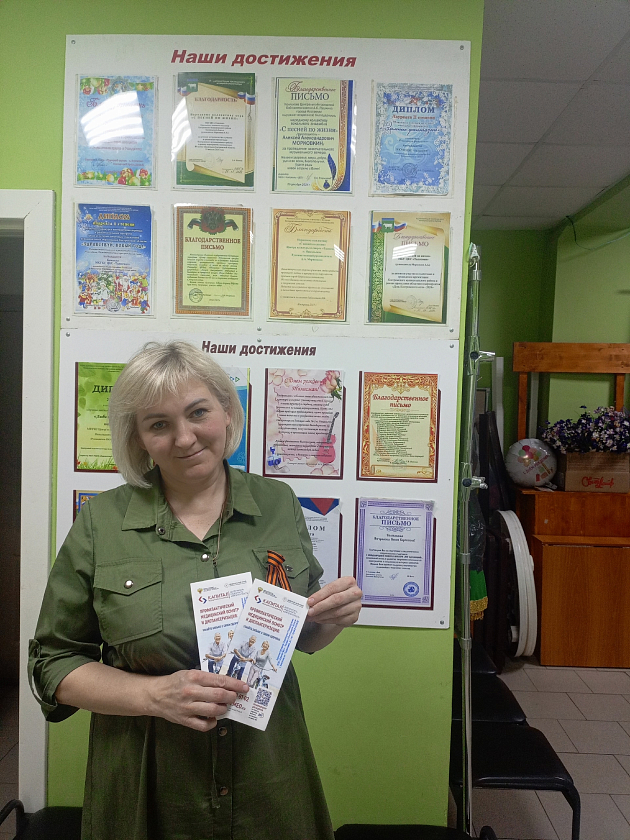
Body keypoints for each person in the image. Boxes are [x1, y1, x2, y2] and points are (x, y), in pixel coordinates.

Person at [28, 340, 362, 840]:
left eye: (198, 412)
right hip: (148, 785)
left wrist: (332, 619)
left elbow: (305, 635)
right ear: (139, 438)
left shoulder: (277, 502)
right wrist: (153, 695)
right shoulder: (102, 521)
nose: (184, 438)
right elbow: (53, 664)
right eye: (158, 424)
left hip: (267, 776)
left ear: (227, 411)